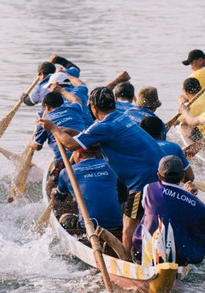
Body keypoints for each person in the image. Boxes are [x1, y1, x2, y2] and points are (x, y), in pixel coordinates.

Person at [40, 86, 165, 230]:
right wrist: (71, 132)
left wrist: (53, 128)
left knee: (129, 223)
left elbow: (71, 145)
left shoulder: (104, 126)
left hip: (142, 180)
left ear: (93, 108)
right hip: (159, 170)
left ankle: (127, 252)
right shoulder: (121, 116)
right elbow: (97, 137)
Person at [131, 156, 205, 266]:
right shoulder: (198, 205)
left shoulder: (148, 189)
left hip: (142, 253)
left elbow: (168, 203)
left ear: (159, 175)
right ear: (183, 177)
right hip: (178, 259)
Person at [49, 145, 124, 251]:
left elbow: (60, 197)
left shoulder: (67, 172)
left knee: (63, 216)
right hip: (117, 222)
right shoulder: (111, 165)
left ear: (78, 154)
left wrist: (54, 192)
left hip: (88, 226)